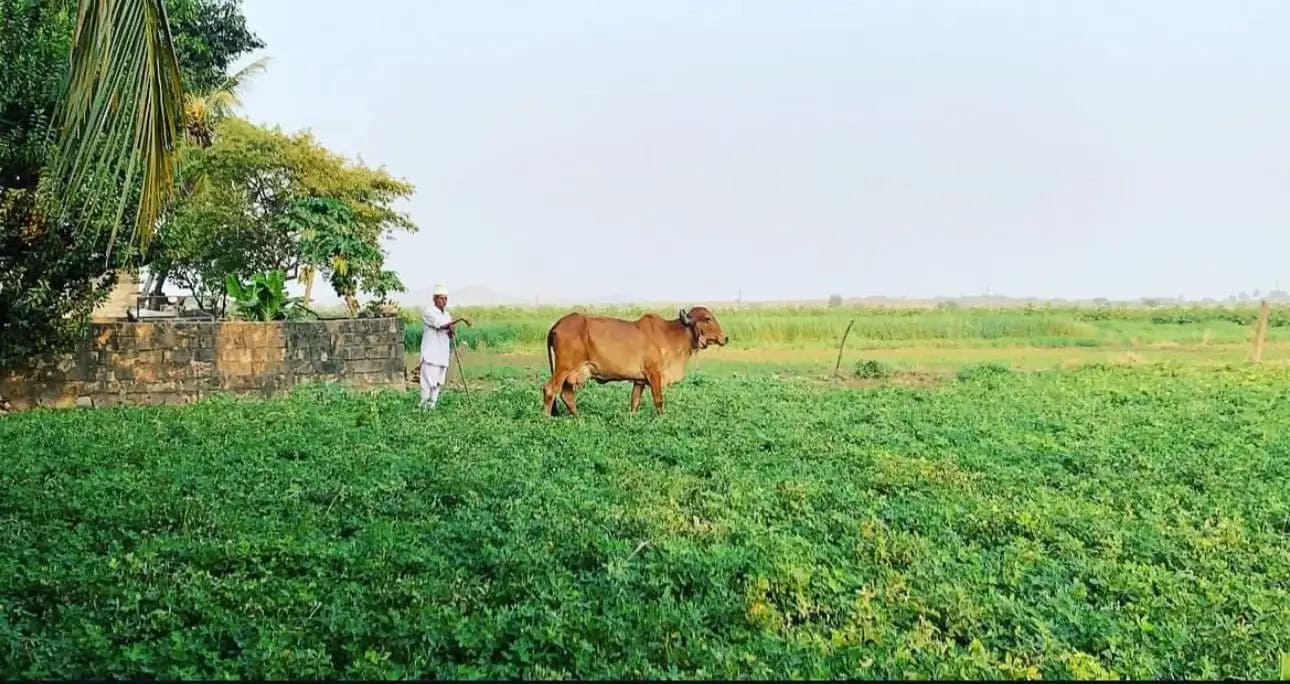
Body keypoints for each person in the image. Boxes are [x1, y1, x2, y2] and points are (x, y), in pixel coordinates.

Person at [420, 284, 471, 409]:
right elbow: (441, 325)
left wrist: (452, 331)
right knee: (428, 384)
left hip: (442, 355)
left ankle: (431, 408)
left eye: (446, 298)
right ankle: (422, 409)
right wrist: (460, 319)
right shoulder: (429, 312)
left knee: (437, 384)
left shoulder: (447, 315)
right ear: (434, 299)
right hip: (430, 355)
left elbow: (448, 331)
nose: (444, 301)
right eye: (441, 298)